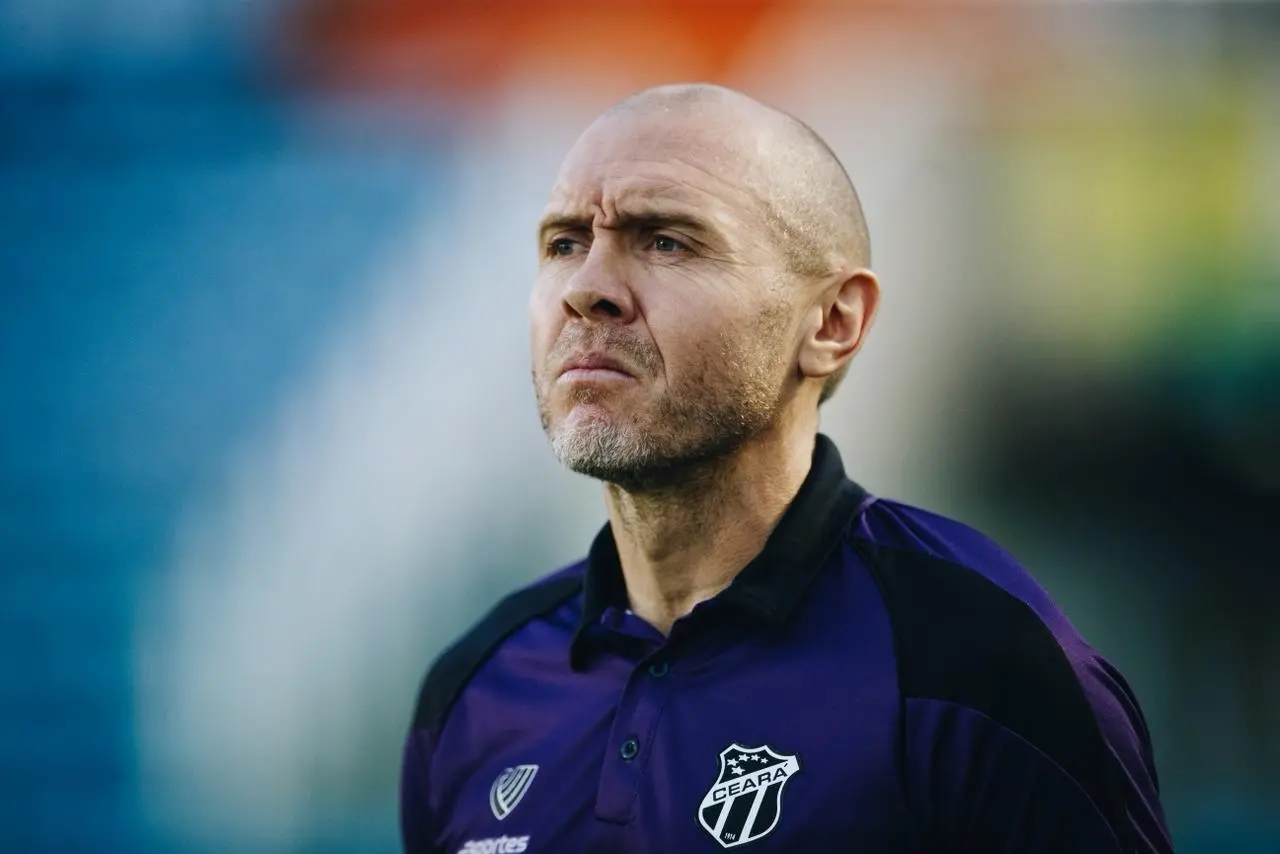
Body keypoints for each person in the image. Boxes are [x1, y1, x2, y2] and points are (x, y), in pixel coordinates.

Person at [400, 83, 1173, 853]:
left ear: (833, 322)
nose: (586, 290)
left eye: (667, 241)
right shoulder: (473, 692)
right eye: (565, 243)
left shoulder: (979, 663)